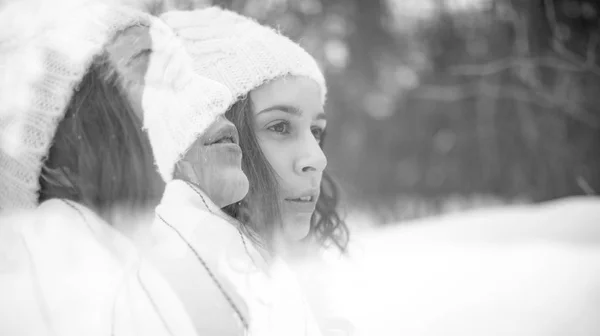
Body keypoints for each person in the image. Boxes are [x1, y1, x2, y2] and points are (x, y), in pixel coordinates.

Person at [0, 1, 237, 334]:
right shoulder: (67, 283)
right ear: (65, 143)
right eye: (156, 70)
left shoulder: (144, 271)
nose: (215, 96)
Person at [160, 6, 349, 261]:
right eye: (280, 127)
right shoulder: (174, 290)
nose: (318, 159)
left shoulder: (293, 282)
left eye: (315, 131)